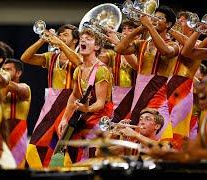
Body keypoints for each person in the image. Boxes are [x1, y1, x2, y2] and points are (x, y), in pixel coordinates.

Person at [115, 6, 179, 141]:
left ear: (168, 24)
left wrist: (149, 26)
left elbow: (165, 51)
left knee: (154, 131)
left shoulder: (174, 45)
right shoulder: (142, 43)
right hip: (139, 92)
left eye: (160, 18)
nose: (155, 20)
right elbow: (119, 48)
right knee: (137, 131)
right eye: (154, 17)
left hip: (158, 95)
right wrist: (140, 28)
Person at [22, 24, 81, 168]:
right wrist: (42, 40)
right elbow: (25, 58)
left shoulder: (79, 56)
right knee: (34, 147)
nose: (61, 37)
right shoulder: (51, 57)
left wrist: (60, 43)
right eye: (59, 34)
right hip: (50, 106)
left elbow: (80, 63)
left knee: (68, 149)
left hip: (70, 105)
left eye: (65, 35)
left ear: (75, 40)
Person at [56, 28, 113, 165]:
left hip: (101, 117)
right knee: (66, 143)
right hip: (84, 115)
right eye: (82, 38)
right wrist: (65, 118)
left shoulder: (101, 70)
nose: (83, 40)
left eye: (88, 39)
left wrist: (86, 109)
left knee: (90, 157)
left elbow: (100, 103)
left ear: (97, 46)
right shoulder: (78, 69)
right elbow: (74, 95)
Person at [102, 19, 139, 122]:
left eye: (130, 29)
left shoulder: (141, 49)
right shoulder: (114, 53)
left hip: (133, 97)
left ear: (138, 34)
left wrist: (117, 42)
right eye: (123, 29)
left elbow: (137, 66)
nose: (125, 32)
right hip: (115, 98)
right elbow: (95, 61)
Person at [0, 59, 31, 168]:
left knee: (18, 167)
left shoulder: (25, 87)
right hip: (1, 130)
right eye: (3, 69)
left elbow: (14, 87)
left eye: (8, 69)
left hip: (18, 130)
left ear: (18, 73)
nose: (4, 72)